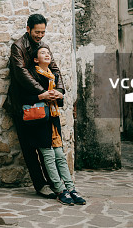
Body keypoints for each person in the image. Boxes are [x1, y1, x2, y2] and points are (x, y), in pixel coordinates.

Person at [4, 14, 77, 202]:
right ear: (28, 29)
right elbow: (20, 73)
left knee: (47, 144)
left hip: (43, 104)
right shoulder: (18, 47)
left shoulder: (43, 47)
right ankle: (40, 184)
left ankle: (54, 183)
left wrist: (58, 90)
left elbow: (55, 69)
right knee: (29, 148)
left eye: (43, 32)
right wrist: (42, 92)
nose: (40, 35)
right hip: (23, 102)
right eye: (37, 32)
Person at [27, 46, 87, 205]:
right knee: (48, 156)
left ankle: (71, 188)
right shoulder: (31, 75)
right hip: (40, 120)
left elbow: (60, 99)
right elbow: (25, 96)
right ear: (35, 59)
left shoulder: (53, 76)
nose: (47, 55)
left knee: (60, 155)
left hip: (53, 119)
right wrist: (42, 95)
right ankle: (60, 190)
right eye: (42, 53)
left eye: (48, 53)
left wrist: (58, 95)